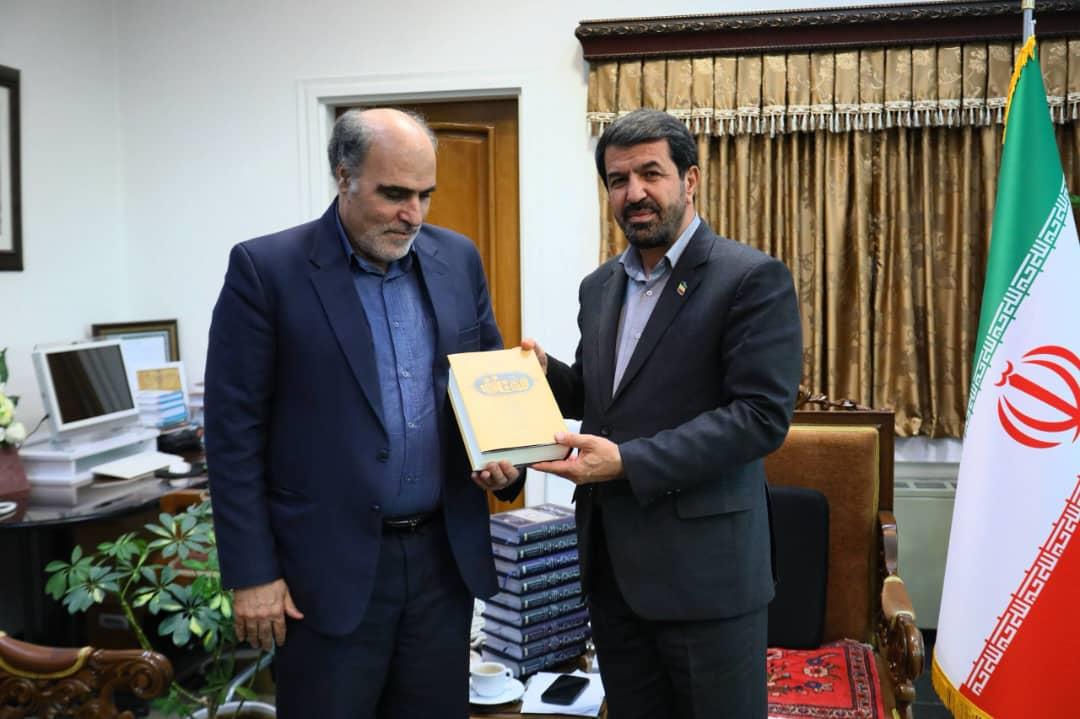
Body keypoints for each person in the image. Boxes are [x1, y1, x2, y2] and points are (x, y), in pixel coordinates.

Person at [205, 108, 521, 719]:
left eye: (425, 195)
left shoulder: (458, 259)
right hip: (324, 573)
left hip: (440, 565)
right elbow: (232, 433)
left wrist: (505, 459)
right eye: (394, 194)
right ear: (344, 176)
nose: (414, 215)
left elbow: (485, 385)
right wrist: (252, 572)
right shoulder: (267, 270)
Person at [525, 108, 803, 718]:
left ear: (690, 179)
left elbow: (760, 417)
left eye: (651, 173)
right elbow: (601, 397)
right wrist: (541, 375)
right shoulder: (598, 286)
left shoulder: (750, 278)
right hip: (612, 572)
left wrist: (626, 462)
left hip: (706, 580)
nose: (634, 192)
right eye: (618, 180)